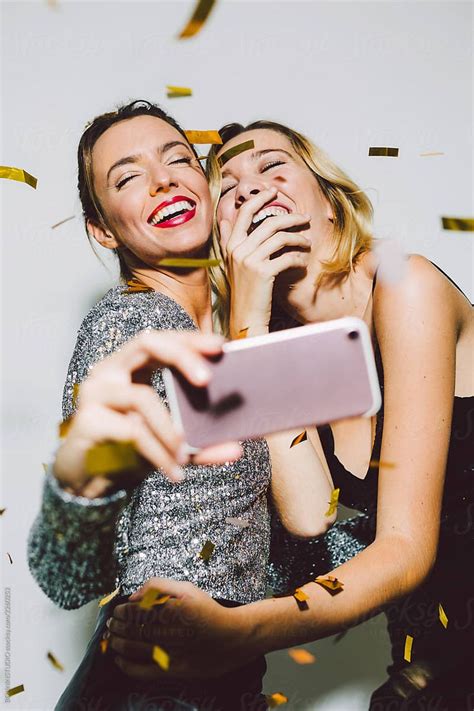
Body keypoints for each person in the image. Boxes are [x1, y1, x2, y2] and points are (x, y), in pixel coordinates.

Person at [111, 120, 474, 710]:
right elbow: (310, 517)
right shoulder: (286, 356)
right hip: (427, 658)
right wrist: (249, 313)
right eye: (226, 188)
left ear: (330, 202)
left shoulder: (406, 285)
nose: (250, 189)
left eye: (273, 167)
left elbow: (405, 546)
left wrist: (242, 632)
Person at [27, 103, 337, 711]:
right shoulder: (128, 328)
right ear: (103, 230)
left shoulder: (234, 332)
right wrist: (76, 483)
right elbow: (68, 580)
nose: (164, 178)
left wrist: (250, 318)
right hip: (150, 691)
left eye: (177, 158)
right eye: (127, 176)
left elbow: (308, 518)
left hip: (227, 682)